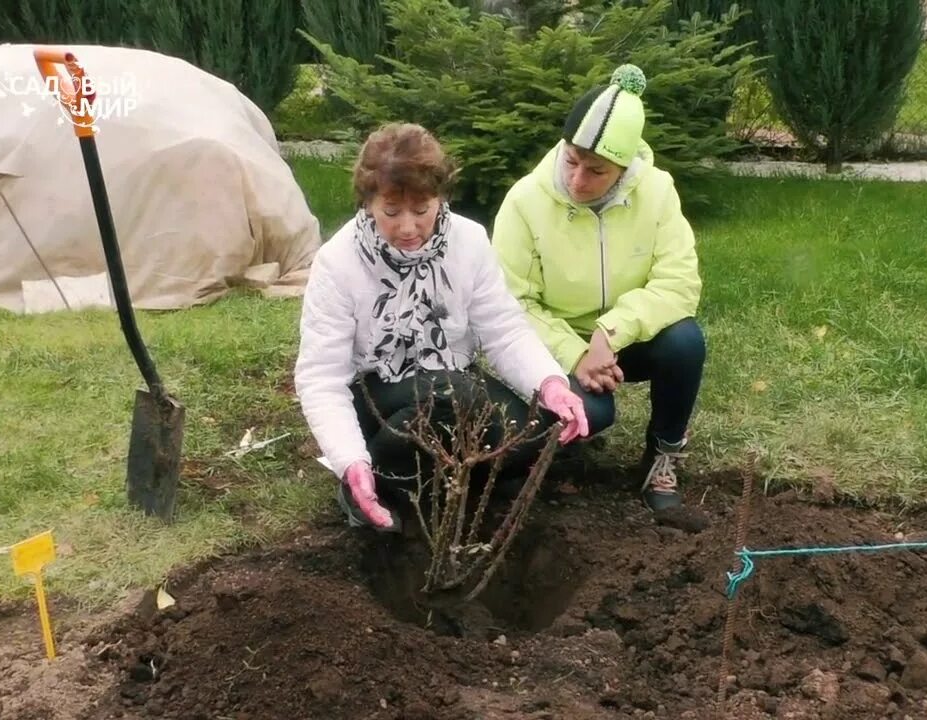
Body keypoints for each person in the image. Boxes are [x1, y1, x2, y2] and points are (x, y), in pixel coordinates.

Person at [294, 122, 589, 532]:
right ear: (368, 203)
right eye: (391, 213)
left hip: (452, 383)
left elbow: (503, 329)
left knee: (539, 432)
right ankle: (369, 482)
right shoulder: (339, 262)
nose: (409, 228)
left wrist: (551, 384)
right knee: (454, 393)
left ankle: (437, 479)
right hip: (378, 395)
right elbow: (321, 377)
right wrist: (350, 460)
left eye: (422, 210)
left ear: (441, 197)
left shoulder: (468, 241)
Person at [491, 64, 706, 512]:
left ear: (625, 169)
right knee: (595, 413)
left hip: (623, 338)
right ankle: (544, 453)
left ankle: (662, 456)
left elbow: (679, 284)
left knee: (685, 342)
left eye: (596, 171)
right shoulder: (525, 201)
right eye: (571, 161)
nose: (576, 181)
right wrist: (577, 354)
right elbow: (513, 303)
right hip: (557, 343)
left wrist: (608, 334)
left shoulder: (659, 192)